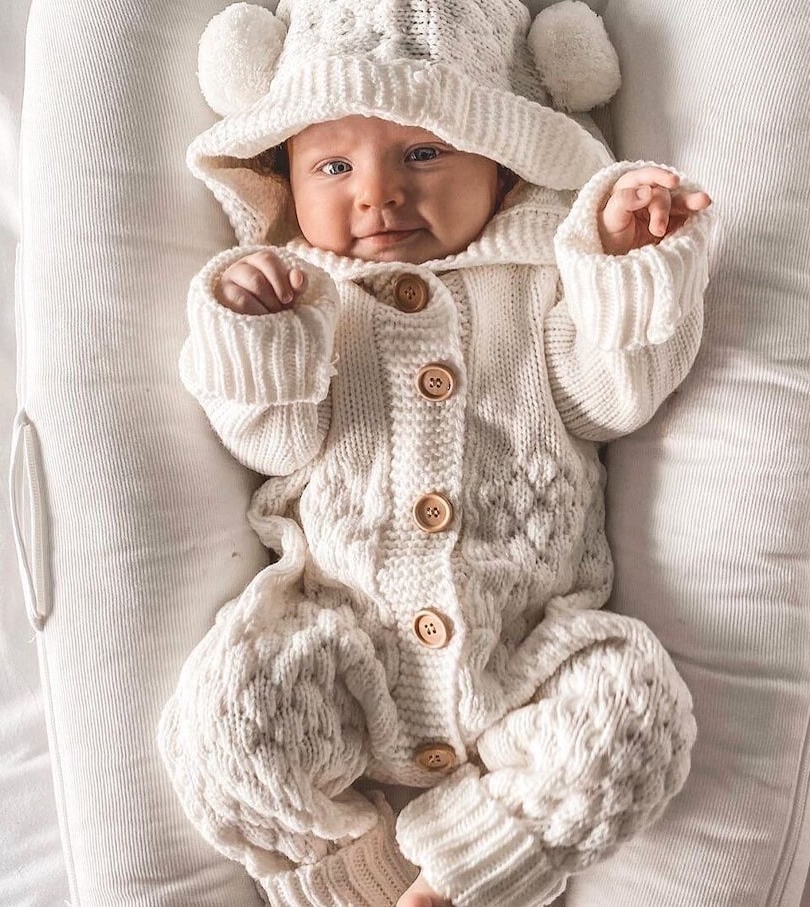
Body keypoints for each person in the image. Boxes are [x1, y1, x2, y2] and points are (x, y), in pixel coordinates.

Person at [159, 2, 714, 906]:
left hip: (531, 648)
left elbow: (610, 397)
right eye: (333, 165)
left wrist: (623, 266)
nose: (375, 192)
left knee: (635, 720)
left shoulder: (535, 284)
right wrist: (253, 325)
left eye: (422, 153)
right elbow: (269, 435)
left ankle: (467, 871)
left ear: (501, 161)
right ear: (283, 177)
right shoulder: (309, 297)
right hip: (335, 633)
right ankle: (352, 879)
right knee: (227, 722)